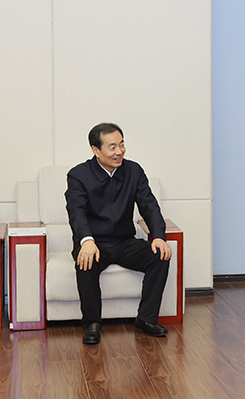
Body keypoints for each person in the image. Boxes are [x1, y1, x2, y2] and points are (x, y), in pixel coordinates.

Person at [65, 123, 172, 344]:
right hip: (94, 243)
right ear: (96, 150)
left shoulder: (133, 171)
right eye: (112, 147)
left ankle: (146, 319)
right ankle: (92, 323)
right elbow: (76, 212)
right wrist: (86, 240)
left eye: (122, 145)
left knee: (159, 256)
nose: (119, 151)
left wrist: (159, 236)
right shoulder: (79, 175)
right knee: (85, 262)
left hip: (124, 242)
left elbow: (149, 206)